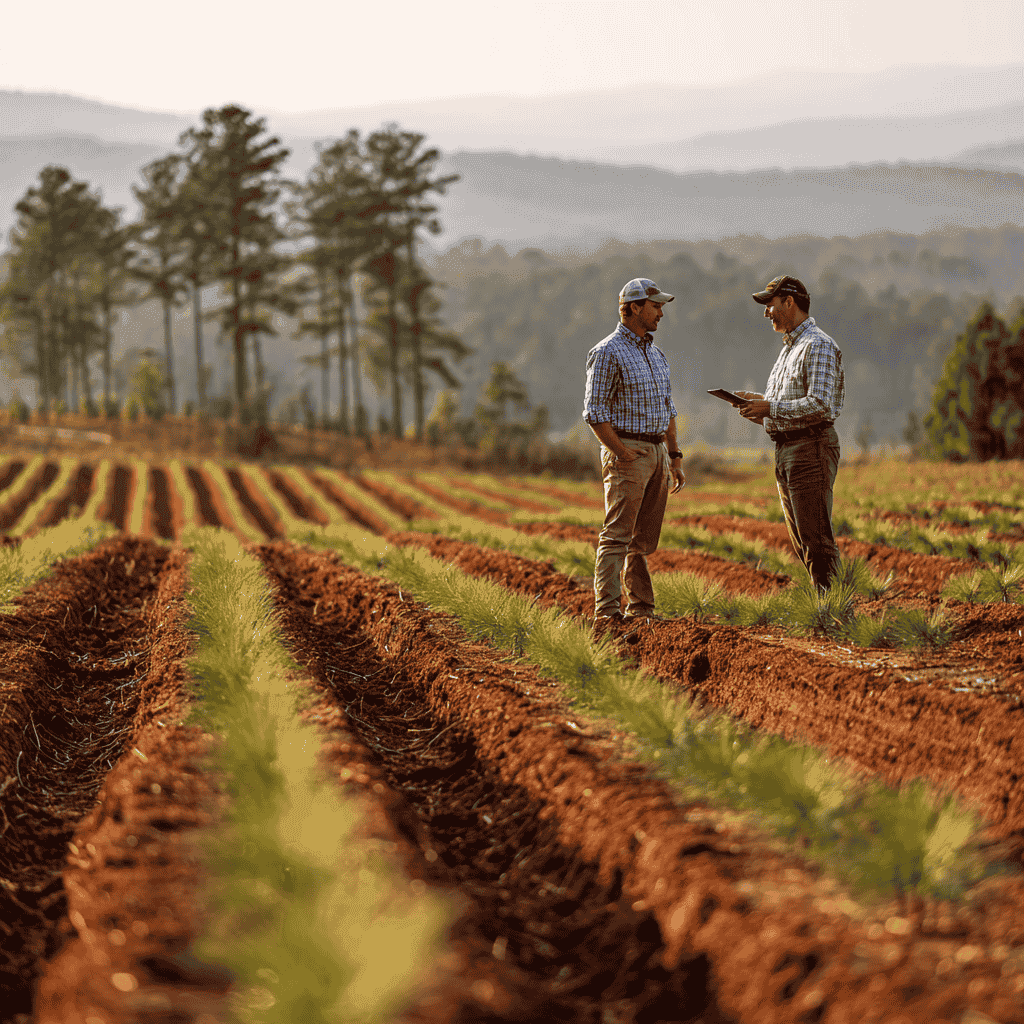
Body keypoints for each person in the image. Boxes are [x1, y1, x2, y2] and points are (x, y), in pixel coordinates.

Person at [583, 278, 686, 627]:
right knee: (617, 536)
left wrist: (674, 456)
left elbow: (668, 408)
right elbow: (594, 413)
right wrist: (622, 454)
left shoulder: (655, 353)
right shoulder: (607, 352)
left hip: (657, 451)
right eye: (655, 306)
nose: (660, 313)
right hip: (629, 450)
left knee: (642, 539)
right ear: (634, 307)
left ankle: (641, 608)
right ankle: (607, 614)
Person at [737, 275, 845, 592]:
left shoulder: (818, 346)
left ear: (789, 302)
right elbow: (785, 408)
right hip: (787, 450)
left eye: (769, 305)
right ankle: (825, 607)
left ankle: (835, 611)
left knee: (816, 540)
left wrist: (770, 408)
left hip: (810, 448)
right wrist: (758, 406)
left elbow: (821, 405)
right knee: (802, 540)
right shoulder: (789, 350)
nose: (766, 313)